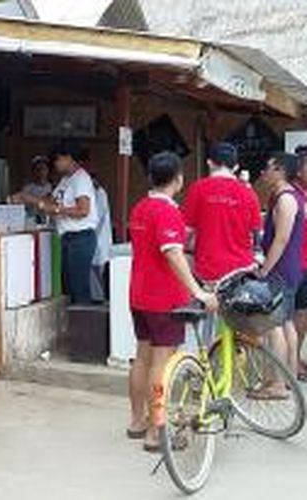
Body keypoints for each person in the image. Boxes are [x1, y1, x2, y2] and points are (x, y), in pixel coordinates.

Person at [127, 151, 217, 452]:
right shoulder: (167, 212)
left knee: (142, 356)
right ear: (178, 179)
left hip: (138, 294)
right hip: (163, 298)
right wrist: (198, 291)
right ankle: (156, 432)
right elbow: (172, 253)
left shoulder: (140, 207)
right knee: (162, 362)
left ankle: (137, 421)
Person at [256, 152, 305, 398]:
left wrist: (265, 269)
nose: (264, 172)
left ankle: (277, 384)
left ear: (280, 170)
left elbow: (282, 238)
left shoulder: (286, 199)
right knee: (286, 324)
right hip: (290, 267)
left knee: (276, 325)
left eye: (268, 167)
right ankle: (288, 376)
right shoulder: (291, 196)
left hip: (282, 269)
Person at [182, 142, 262, 284]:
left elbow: (187, 232)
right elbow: (256, 233)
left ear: (209, 163)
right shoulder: (249, 194)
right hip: (241, 271)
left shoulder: (198, 189)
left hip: (207, 270)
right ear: (236, 167)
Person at [33, 142, 99, 304]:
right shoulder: (66, 180)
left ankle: (83, 324)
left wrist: (58, 210)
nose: (55, 165)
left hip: (81, 237)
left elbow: (83, 210)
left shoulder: (80, 179)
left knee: (78, 286)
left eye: (57, 160)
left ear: (68, 158)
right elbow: (51, 200)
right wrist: (39, 202)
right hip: (68, 237)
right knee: (68, 285)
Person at [293, 145, 307, 380]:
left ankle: (296, 357)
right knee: (299, 313)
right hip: (299, 262)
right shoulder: (293, 194)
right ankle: (292, 359)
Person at [10, 155, 53, 224]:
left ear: (48, 170)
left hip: (50, 222)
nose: (41, 172)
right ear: (33, 172)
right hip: (32, 221)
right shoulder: (27, 188)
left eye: (44, 169)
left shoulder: (53, 187)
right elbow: (17, 201)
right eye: (38, 169)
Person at [90, 174, 112, 303]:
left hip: (98, 239)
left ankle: (99, 298)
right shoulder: (95, 193)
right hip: (96, 240)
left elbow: (96, 219)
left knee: (98, 271)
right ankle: (98, 297)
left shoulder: (99, 193)